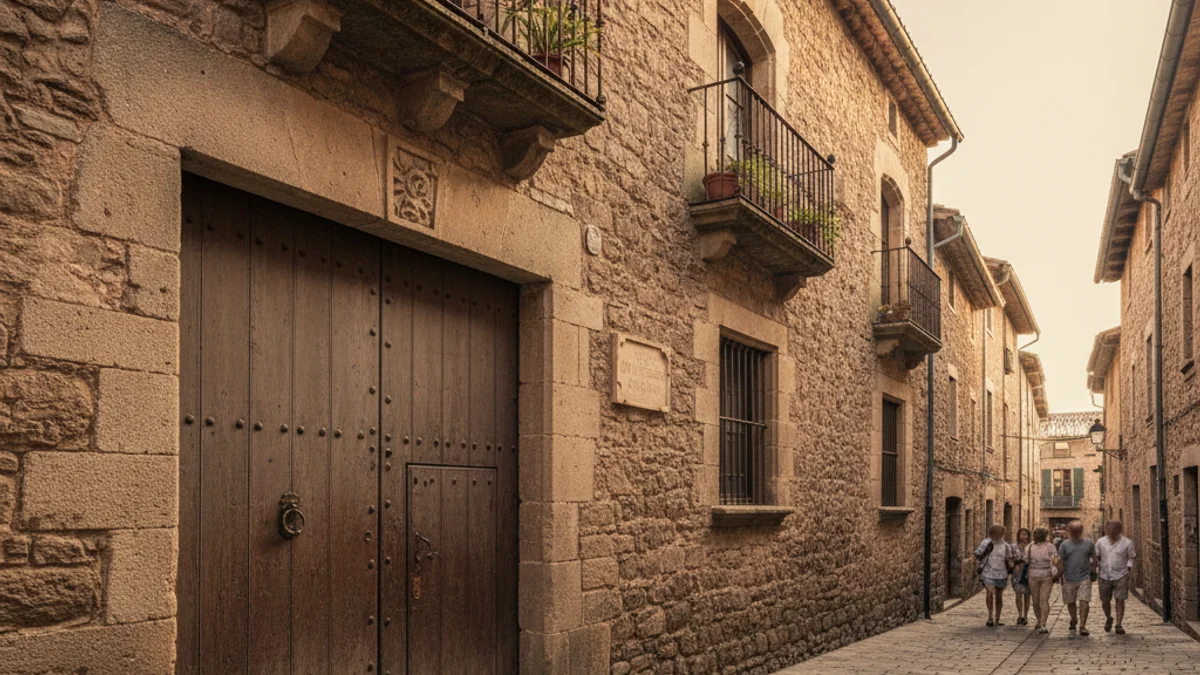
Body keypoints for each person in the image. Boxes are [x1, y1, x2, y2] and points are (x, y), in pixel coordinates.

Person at [1056, 520, 1097, 637]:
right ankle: (1074, 619)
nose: (1075, 533)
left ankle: (1083, 626)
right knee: (1071, 602)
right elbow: (1061, 561)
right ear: (1069, 531)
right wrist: (1059, 574)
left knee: (1084, 601)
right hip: (1068, 578)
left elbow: (1094, 558)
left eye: (1077, 530)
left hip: (1085, 576)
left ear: (1081, 531)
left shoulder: (1089, 543)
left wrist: (1093, 570)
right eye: (1073, 530)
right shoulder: (1064, 545)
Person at [1096, 519, 1136, 634]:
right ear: (1106, 530)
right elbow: (1096, 555)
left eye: (1114, 531)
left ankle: (1118, 624)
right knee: (1105, 601)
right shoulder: (1100, 542)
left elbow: (1131, 556)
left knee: (1120, 600)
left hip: (1121, 575)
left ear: (1119, 530)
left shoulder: (1127, 543)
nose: (1111, 533)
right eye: (1109, 530)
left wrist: (1128, 567)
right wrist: (1096, 564)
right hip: (1104, 575)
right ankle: (1109, 617)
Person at [974, 524, 1015, 627]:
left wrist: (1011, 563)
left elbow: (1010, 558)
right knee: (989, 593)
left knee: (999, 597)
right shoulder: (986, 542)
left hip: (1001, 573)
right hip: (988, 572)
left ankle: (997, 618)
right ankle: (990, 617)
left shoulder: (1006, 546)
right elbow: (978, 553)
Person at [1025, 526, 1057, 634]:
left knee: (1039, 601)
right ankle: (1041, 622)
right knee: (1039, 601)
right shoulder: (1048, 547)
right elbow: (1055, 559)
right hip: (1040, 575)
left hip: (1041, 575)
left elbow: (1025, 560)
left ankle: (1042, 623)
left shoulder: (1029, 547)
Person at [1011, 528, 1032, 626]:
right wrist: (1013, 565)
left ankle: (1026, 616)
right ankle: (1020, 615)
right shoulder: (1014, 546)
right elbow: (1009, 558)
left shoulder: (1032, 546)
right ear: (1018, 535)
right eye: (1022, 534)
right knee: (1018, 594)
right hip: (1017, 573)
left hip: (1028, 573)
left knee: (1027, 596)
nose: (1024, 536)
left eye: (1025, 534)